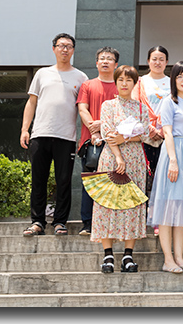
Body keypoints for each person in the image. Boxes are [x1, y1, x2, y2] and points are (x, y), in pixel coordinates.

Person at [20, 33, 88, 237]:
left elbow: (84, 108)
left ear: (73, 50)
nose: (65, 49)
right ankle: (37, 221)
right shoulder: (42, 74)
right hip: (40, 134)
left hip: (66, 137)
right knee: (38, 180)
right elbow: (31, 102)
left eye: (69, 46)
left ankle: (59, 222)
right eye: (61, 45)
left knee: (64, 180)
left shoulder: (81, 77)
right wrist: (25, 129)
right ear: (54, 49)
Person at [147, 61, 183, 273]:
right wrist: (173, 160)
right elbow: (167, 132)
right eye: (180, 76)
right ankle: (168, 259)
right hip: (174, 153)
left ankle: (180, 258)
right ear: (173, 79)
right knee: (168, 207)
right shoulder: (169, 102)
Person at [91, 65, 151, 273]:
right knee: (107, 204)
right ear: (115, 82)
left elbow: (145, 135)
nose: (125, 84)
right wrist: (118, 156)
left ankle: (128, 255)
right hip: (111, 159)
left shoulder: (141, 108)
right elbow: (108, 133)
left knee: (131, 205)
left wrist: (124, 138)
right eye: (121, 80)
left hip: (135, 161)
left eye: (129, 80)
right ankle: (108, 255)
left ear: (134, 83)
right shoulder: (108, 105)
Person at [76, 47, 119, 236]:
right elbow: (82, 109)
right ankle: (88, 223)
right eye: (102, 58)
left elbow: (123, 113)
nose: (105, 61)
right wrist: (94, 128)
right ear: (96, 63)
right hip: (90, 142)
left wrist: (103, 125)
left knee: (114, 183)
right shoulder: (87, 85)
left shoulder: (121, 86)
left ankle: (110, 223)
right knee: (90, 183)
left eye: (109, 59)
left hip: (115, 143)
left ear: (116, 64)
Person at [132, 46, 170, 236]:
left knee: (161, 180)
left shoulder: (171, 83)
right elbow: (134, 106)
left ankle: (157, 220)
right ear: (148, 61)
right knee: (142, 178)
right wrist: (149, 127)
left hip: (166, 136)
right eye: (154, 58)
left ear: (166, 62)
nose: (157, 62)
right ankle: (139, 220)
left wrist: (162, 129)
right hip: (143, 136)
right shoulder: (140, 82)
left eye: (161, 59)